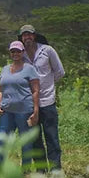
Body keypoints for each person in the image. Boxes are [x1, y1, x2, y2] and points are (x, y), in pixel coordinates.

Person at [19, 24, 65, 170]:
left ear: (35, 36)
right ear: (21, 38)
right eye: (24, 35)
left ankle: (56, 170)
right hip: (29, 103)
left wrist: (47, 85)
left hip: (48, 101)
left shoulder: (47, 50)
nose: (27, 37)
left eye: (29, 34)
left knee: (51, 137)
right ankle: (41, 169)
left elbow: (59, 72)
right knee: (35, 139)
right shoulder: (20, 54)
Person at [0, 41, 40, 168]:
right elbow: (0, 89)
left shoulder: (29, 69)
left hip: (24, 111)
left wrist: (35, 111)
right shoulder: (5, 69)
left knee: (25, 142)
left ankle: (25, 170)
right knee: (2, 141)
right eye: (13, 51)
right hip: (6, 111)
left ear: (23, 52)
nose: (15, 53)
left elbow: (36, 91)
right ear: (10, 53)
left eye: (18, 51)